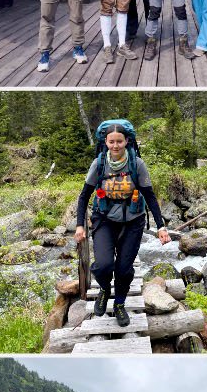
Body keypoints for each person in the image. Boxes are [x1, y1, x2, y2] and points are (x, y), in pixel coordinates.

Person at [73, 124, 170, 327]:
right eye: (111, 142)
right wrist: (79, 225)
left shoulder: (137, 164)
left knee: (124, 270)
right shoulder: (99, 164)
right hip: (104, 219)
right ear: (105, 142)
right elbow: (84, 196)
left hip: (133, 221)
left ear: (127, 141)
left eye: (119, 141)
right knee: (103, 265)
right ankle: (104, 288)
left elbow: (149, 196)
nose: (115, 145)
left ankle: (119, 304)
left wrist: (161, 227)